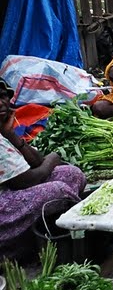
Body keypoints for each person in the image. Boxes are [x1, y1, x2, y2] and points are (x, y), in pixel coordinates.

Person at [0, 80, 86, 261]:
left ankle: (45, 234)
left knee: (71, 174)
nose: (1, 103)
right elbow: (26, 179)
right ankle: (18, 246)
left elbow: (36, 161)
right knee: (57, 190)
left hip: (10, 194)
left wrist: (11, 135)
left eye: (3, 96)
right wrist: (52, 159)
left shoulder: (2, 132)